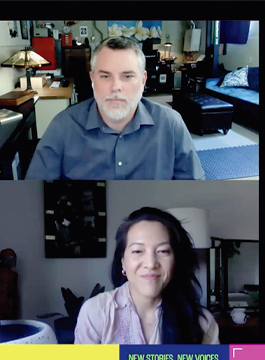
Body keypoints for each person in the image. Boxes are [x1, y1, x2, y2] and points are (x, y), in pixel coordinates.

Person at [25, 36, 205, 180]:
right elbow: (34, 195)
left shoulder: (171, 125)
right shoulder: (62, 127)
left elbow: (194, 193)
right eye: (105, 76)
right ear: (92, 80)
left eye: (127, 76)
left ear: (143, 80)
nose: (115, 87)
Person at [74, 207, 219, 344]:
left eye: (163, 251)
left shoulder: (202, 322)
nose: (150, 263)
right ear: (123, 262)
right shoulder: (96, 312)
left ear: (176, 260)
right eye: (137, 251)